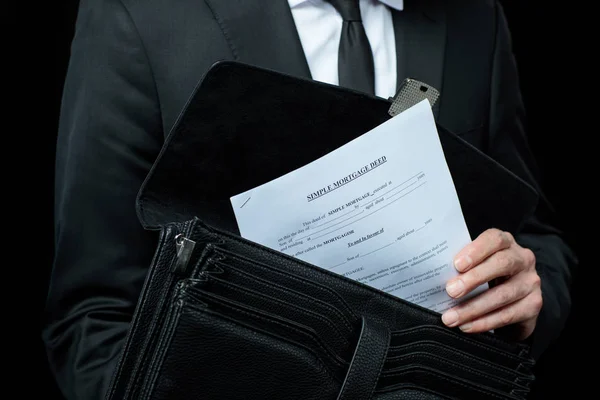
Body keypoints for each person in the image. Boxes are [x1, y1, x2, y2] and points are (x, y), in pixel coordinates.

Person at [45, 0, 577, 399]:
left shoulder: (475, 18)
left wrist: (527, 294)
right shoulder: (140, 14)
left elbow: (535, 237)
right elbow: (92, 313)